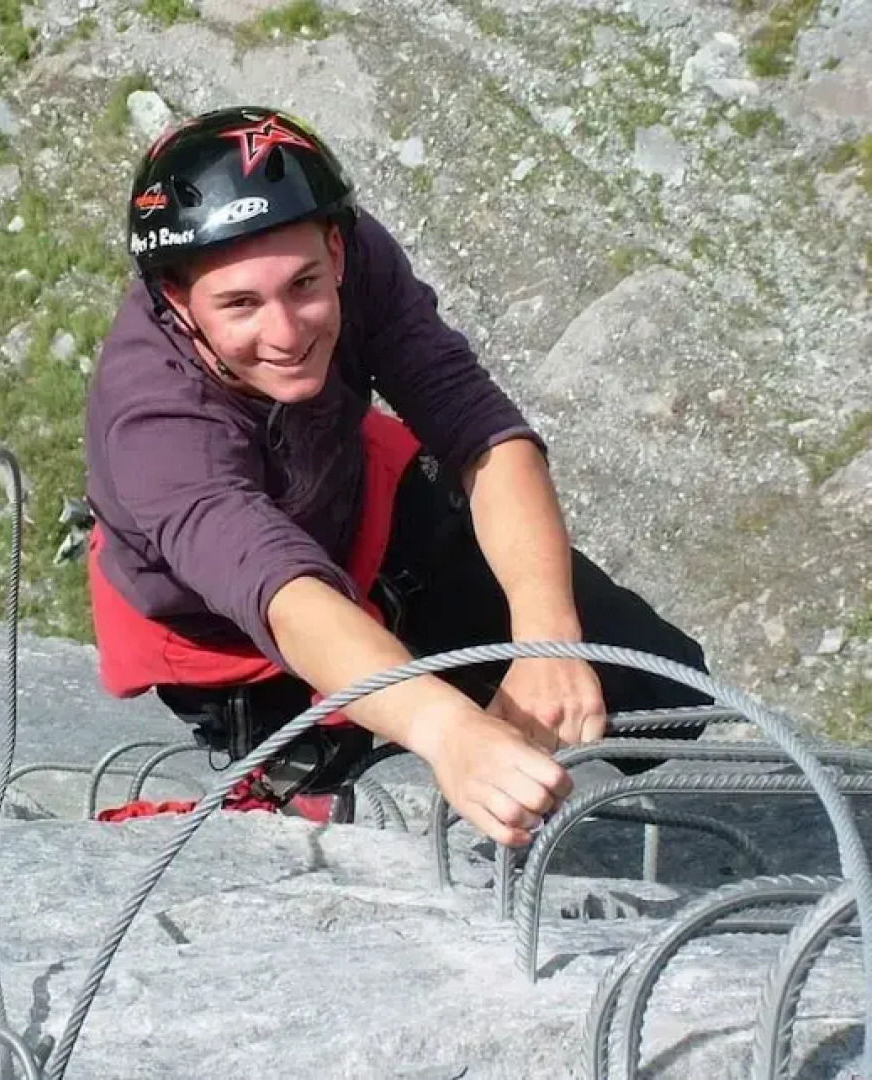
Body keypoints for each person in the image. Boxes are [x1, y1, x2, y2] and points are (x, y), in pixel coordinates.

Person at [84, 106, 712, 846]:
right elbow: (279, 592)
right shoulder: (153, 420)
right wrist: (447, 730)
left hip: (359, 510)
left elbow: (476, 427)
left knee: (666, 690)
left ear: (338, 253)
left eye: (305, 286)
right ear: (178, 304)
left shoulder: (350, 252)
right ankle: (292, 769)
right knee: (342, 804)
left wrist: (547, 636)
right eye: (241, 305)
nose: (287, 334)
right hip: (227, 618)